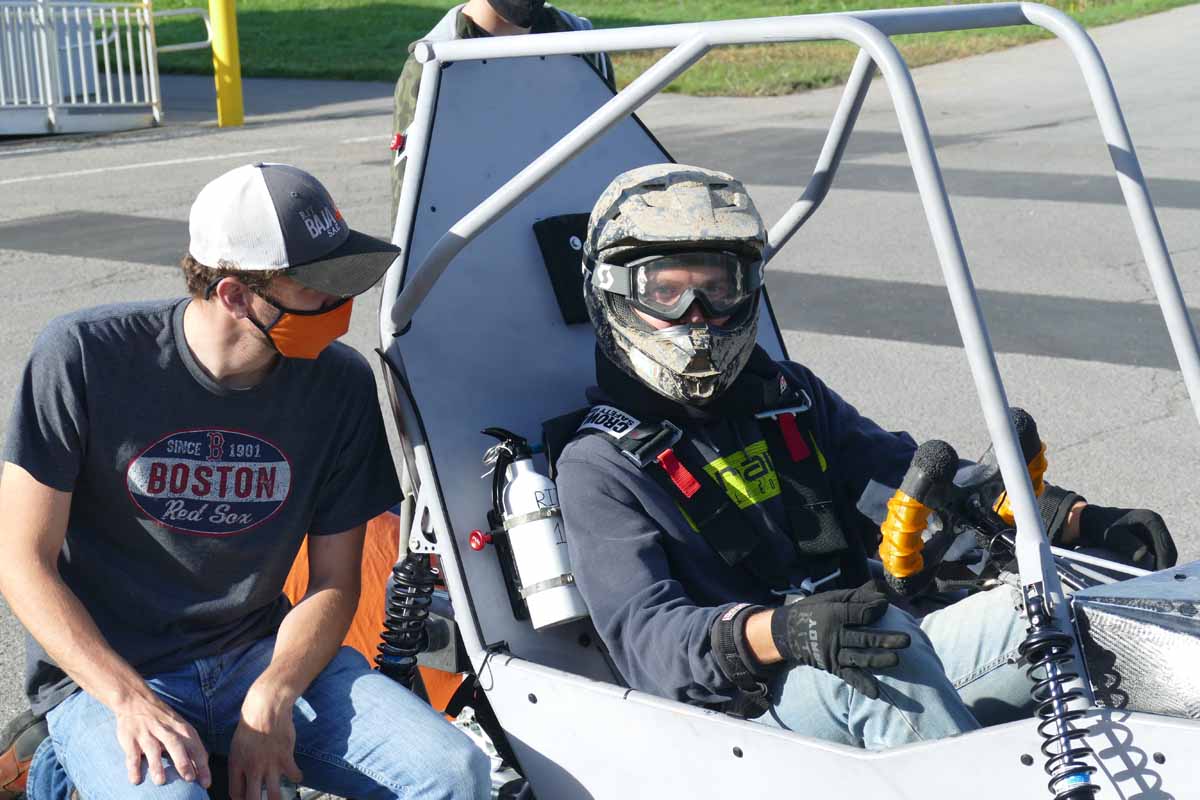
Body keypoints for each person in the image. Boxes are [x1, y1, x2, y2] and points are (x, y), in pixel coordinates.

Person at [555, 163, 1178, 748]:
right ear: (615, 293)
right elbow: (648, 643)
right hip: (743, 716)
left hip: (871, 639)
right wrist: (784, 630)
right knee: (877, 645)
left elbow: (916, 484)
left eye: (718, 288)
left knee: (1070, 599)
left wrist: (1076, 522)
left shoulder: (788, 401)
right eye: (666, 291)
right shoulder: (598, 466)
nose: (699, 317)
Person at [0, 163, 490, 799]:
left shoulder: (338, 384)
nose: (342, 304)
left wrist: (275, 692)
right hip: (112, 675)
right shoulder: (85, 356)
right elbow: (21, 561)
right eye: (318, 287)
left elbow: (335, 581)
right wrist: (127, 700)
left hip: (257, 657)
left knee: (455, 773)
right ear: (234, 295)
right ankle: (59, 765)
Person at [389, 0, 615, 225]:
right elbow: (412, 217)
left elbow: (614, 156)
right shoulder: (433, 66)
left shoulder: (580, 40)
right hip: (481, 239)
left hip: (574, 232)